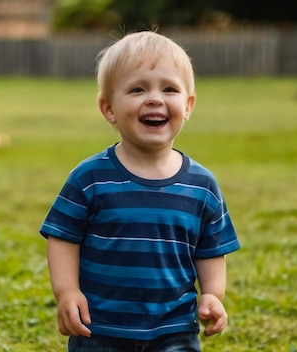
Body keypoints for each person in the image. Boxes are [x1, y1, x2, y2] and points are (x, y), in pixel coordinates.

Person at [40, 31, 241, 352]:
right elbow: (63, 237)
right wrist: (66, 292)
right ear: (109, 109)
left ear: (188, 105)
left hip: (174, 329)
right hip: (100, 328)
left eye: (170, 89)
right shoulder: (89, 178)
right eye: (137, 89)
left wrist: (213, 295)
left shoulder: (202, 186)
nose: (155, 99)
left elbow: (211, 249)